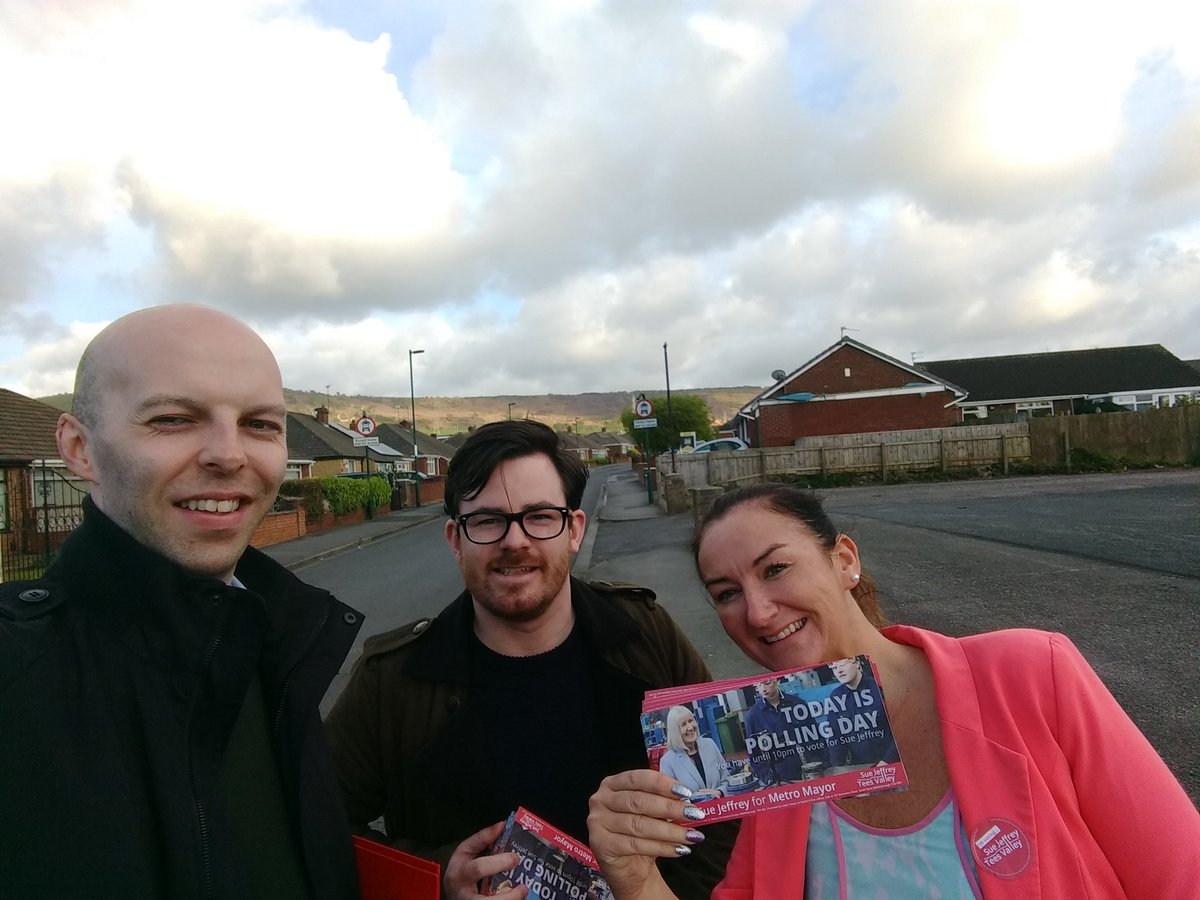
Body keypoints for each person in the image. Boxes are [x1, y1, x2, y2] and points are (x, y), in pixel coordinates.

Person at [587, 482, 1200, 899]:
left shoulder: (1028, 672)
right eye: (726, 593)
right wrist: (636, 877)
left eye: (775, 569)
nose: (759, 610)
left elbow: (1181, 877)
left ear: (844, 561)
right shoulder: (767, 760)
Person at [0, 305, 364, 898]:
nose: (229, 454)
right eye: (173, 419)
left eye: (261, 424)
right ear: (78, 447)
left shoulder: (273, 641)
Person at [324, 419, 737, 900]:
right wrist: (436, 881)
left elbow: (725, 794)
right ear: (456, 540)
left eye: (540, 516)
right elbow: (321, 825)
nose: (514, 541)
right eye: (487, 520)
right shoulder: (391, 678)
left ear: (574, 530)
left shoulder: (645, 633)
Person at [742, 676, 822, 785]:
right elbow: (754, 755)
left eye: (766, 683)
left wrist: (823, 766)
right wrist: (769, 779)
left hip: (811, 772)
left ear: (777, 680)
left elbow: (817, 738)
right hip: (780, 778)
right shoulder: (753, 715)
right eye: (758, 685)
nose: (763, 689)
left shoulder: (797, 704)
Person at [825, 656, 898, 768]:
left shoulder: (879, 688)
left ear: (857, 664)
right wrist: (836, 770)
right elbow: (836, 737)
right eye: (834, 668)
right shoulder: (836, 696)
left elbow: (901, 731)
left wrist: (886, 762)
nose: (839, 670)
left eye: (842, 665)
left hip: (890, 763)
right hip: (859, 767)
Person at [656, 706, 729, 800]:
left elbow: (726, 779)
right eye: (683, 724)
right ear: (675, 731)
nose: (690, 727)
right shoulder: (667, 762)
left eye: (691, 721)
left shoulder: (709, 744)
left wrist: (719, 792)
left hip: (721, 808)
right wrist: (698, 797)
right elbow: (670, 799)